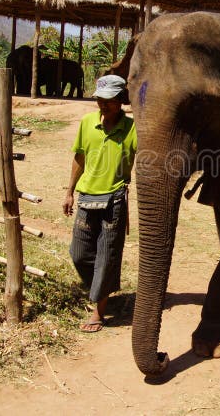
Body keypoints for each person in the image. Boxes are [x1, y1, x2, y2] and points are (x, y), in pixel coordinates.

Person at [62, 74, 137, 332]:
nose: (102, 106)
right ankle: (102, 288)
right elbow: (79, 158)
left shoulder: (132, 129)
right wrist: (69, 191)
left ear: (120, 101)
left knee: (106, 256)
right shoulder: (87, 123)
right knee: (79, 253)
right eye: (99, 100)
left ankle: (98, 311)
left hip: (114, 200)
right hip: (86, 198)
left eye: (108, 101)